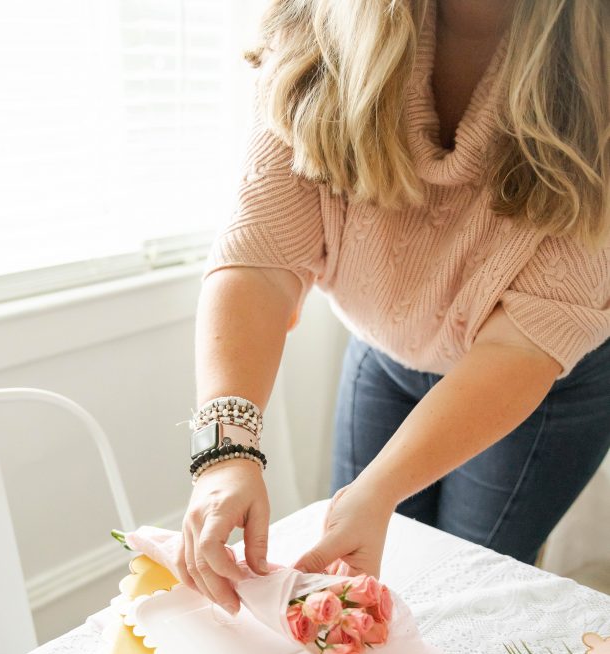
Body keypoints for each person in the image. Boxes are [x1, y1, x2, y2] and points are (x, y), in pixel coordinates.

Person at [178, 0, 610, 615]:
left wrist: (378, 491)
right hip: (384, 350)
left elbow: (524, 342)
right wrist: (223, 453)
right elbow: (261, 258)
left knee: (454, 599)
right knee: (347, 584)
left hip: (540, 378)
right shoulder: (317, 24)